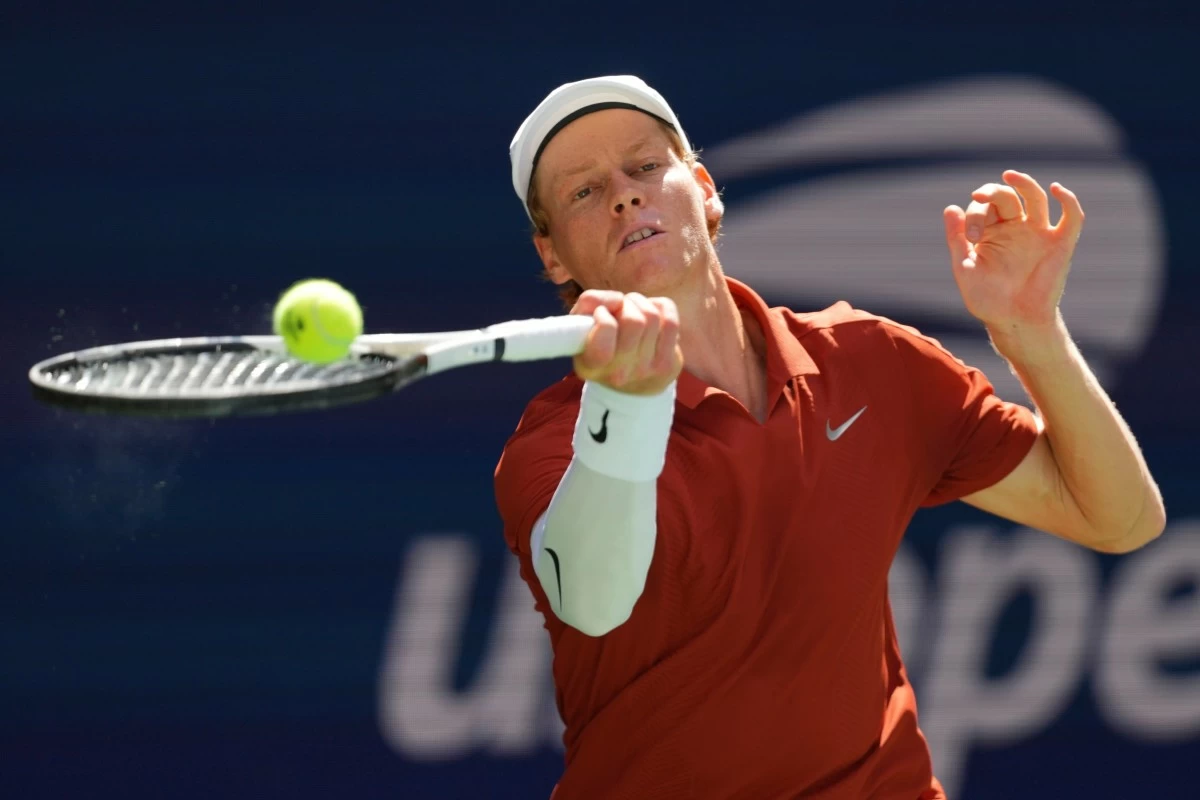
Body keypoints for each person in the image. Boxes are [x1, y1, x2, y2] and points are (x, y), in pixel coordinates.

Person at [493, 75, 1166, 799]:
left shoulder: (872, 362)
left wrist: (1031, 333)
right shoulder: (556, 447)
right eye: (584, 193)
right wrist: (625, 410)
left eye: (646, 166)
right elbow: (593, 600)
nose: (625, 193)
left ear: (705, 187)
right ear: (554, 255)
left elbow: (1121, 518)